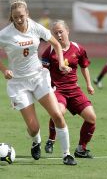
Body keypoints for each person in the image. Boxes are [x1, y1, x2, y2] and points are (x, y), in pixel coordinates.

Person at [0, 0, 77, 165]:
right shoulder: (5, 34)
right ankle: (36, 141)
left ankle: (67, 154)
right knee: (34, 128)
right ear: (11, 17)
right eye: (15, 17)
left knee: (57, 114)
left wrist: (62, 63)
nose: (19, 20)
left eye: (21, 16)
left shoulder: (36, 27)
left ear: (27, 13)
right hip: (18, 83)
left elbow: (56, 44)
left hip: (38, 77)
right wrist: (4, 69)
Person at [41, 20, 96, 158]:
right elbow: (43, 72)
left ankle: (81, 149)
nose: (59, 35)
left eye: (61, 32)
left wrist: (89, 84)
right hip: (57, 90)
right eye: (55, 33)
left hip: (74, 90)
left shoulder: (78, 48)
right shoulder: (49, 51)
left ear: (67, 31)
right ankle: (51, 140)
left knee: (91, 118)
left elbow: (84, 67)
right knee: (59, 112)